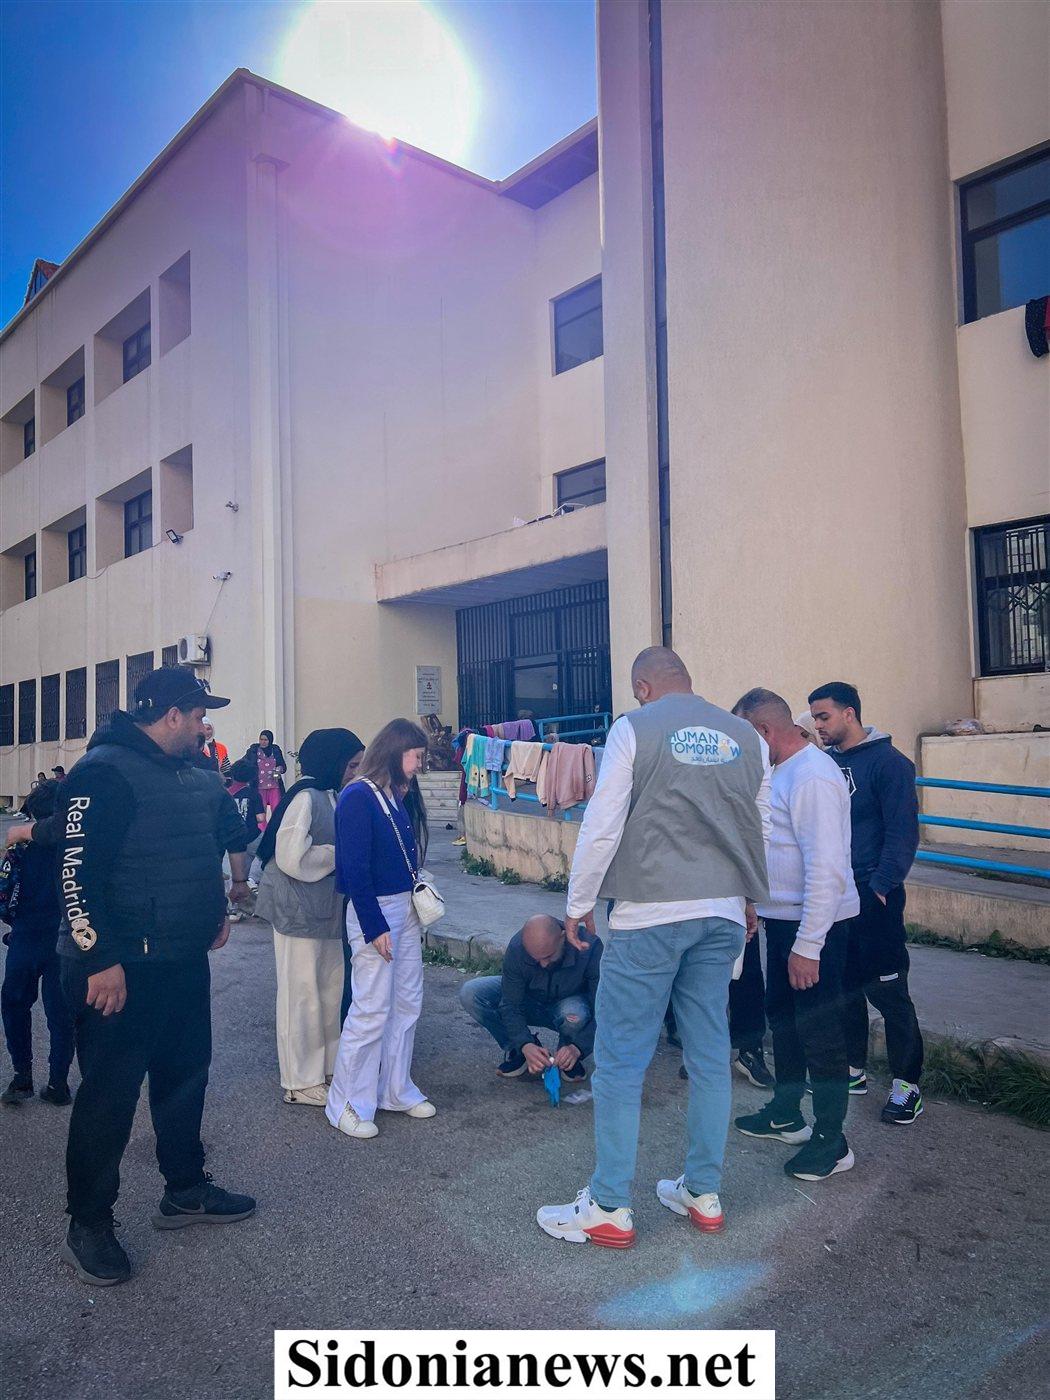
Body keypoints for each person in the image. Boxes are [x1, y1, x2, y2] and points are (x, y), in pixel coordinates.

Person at [537, 647, 771, 1250]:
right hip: (722, 912)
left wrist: (578, 903)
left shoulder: (634, 728)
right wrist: (748, 900)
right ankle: (703, 1192)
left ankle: (609, 1205)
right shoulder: (748, 736)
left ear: (642, 686)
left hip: (650, 913)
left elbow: (603, 823)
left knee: (621, 1060)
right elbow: (759, 825)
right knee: (709, 1052)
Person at [36, 666, 255, 1288]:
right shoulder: (103, 772)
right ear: (170, 714)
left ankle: (184, 1190)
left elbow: (201, 846)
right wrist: (99, 958)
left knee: (185, 1078)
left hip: (180, 959)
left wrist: (214, 912)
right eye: (199, 715)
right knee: (109, 1096)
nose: (206, 726)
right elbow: (76, 873)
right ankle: (88, 1224)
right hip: (119, 967)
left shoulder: (194, 770)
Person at [731, 689, 859, 1180]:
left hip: (818, 927)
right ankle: (787, 1113)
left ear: (763, 731)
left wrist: (809, 946)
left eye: (744, 737)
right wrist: (754, 904)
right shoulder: (779, 771)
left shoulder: (813, 776)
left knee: (819, 1032)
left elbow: (827, 868)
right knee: (783, 1021)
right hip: (784, 921)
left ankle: (833, 1141)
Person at [807, 682, 924, 1125]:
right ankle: (853, 1069)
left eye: (823, 717)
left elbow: (903, 832)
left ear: (849, 714)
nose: (817, 725)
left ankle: (907, 1085)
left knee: (889, 992)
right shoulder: (825, 763)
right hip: (836, 898)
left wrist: (880, 887)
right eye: (814, 718)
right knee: (845, 989)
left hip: (874, 898)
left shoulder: (890, 764)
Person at [326, 720, 434, 1140]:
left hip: (402, 908)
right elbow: (354, 869)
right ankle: (346, 1104)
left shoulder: (391, 794)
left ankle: (394, 1089)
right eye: (416, 756)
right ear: (396, 751)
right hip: (377, 911)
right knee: (370, 1009)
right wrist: (374, 927)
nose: (420, 764)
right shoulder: (359, 796)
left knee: (407, 1002)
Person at [254, 728, 365, 1107]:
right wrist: (340, 853)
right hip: (298, 911)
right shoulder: (305, 797)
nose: (356, 772)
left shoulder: (331, 794)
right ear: (333, 761)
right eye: (352, 764)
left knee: (329, 993)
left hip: (326, 910)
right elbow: (290, 856)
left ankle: (328, 1069)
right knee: (302, 996)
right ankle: (300, 1081)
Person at [1, 781, 76, 1107]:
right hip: (64, 941)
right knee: (61, 1014)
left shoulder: (20, 849)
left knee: (15, 1004)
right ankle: (58, 1083)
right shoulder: (75, 850)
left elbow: (4, 897)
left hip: (26, 938)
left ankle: (22, 1078)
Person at [460, 914, 602, 1082]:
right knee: (471, 993)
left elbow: (605, 1007)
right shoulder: (517, 947)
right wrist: (524, 1043)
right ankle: (520, 1050)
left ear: (563, 937)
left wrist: (579, 1046)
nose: (543, 964)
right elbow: (510, 1004)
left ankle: (567, 1055)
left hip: (569, 1007)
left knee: (574, 1013)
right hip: (530, 1001)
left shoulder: (590, 947)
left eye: (548, 956)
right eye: (535, 959)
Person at [240, 730, 287, 828]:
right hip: (259, 786)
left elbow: (283, 766)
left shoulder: (275, 750)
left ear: (270, 740)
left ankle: (276, 830)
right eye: (261, 739)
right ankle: (261, 832)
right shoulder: (253, 750)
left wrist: (279, 769)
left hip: (274, 785)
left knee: (277, 810)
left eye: (265, 740)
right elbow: (244, 763)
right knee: (261, 812)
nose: (263, 742)